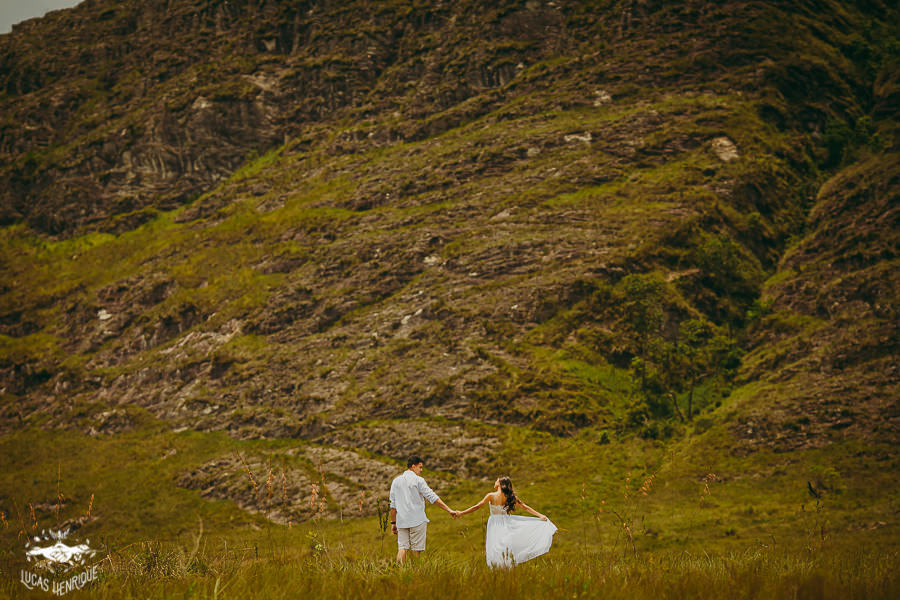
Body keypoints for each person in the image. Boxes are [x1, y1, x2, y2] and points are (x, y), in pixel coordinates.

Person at [457, 475, 557, 568]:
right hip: (506, 522)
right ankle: (505, 567)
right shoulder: (510, 497)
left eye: (496, 481)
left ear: (500, 484)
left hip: (494, 523)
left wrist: (461, 513)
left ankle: (498, 567)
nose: (495, 482)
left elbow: (476, 507)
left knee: (496, 546)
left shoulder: (491, 495)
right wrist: (540, 515)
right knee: (505, 545)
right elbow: (525, 507)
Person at [389, 455, 458, 564]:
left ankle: (398, 571)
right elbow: (432, 497)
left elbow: (392, 506)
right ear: (413, 466)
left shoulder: (396, 481)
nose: (421, 470)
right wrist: (449, 510)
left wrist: (393, 523)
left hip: (401, 520)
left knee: (402, 548)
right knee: (416, 549)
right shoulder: (419, 480)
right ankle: (416, 572)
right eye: (420, 467)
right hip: (417, 520)